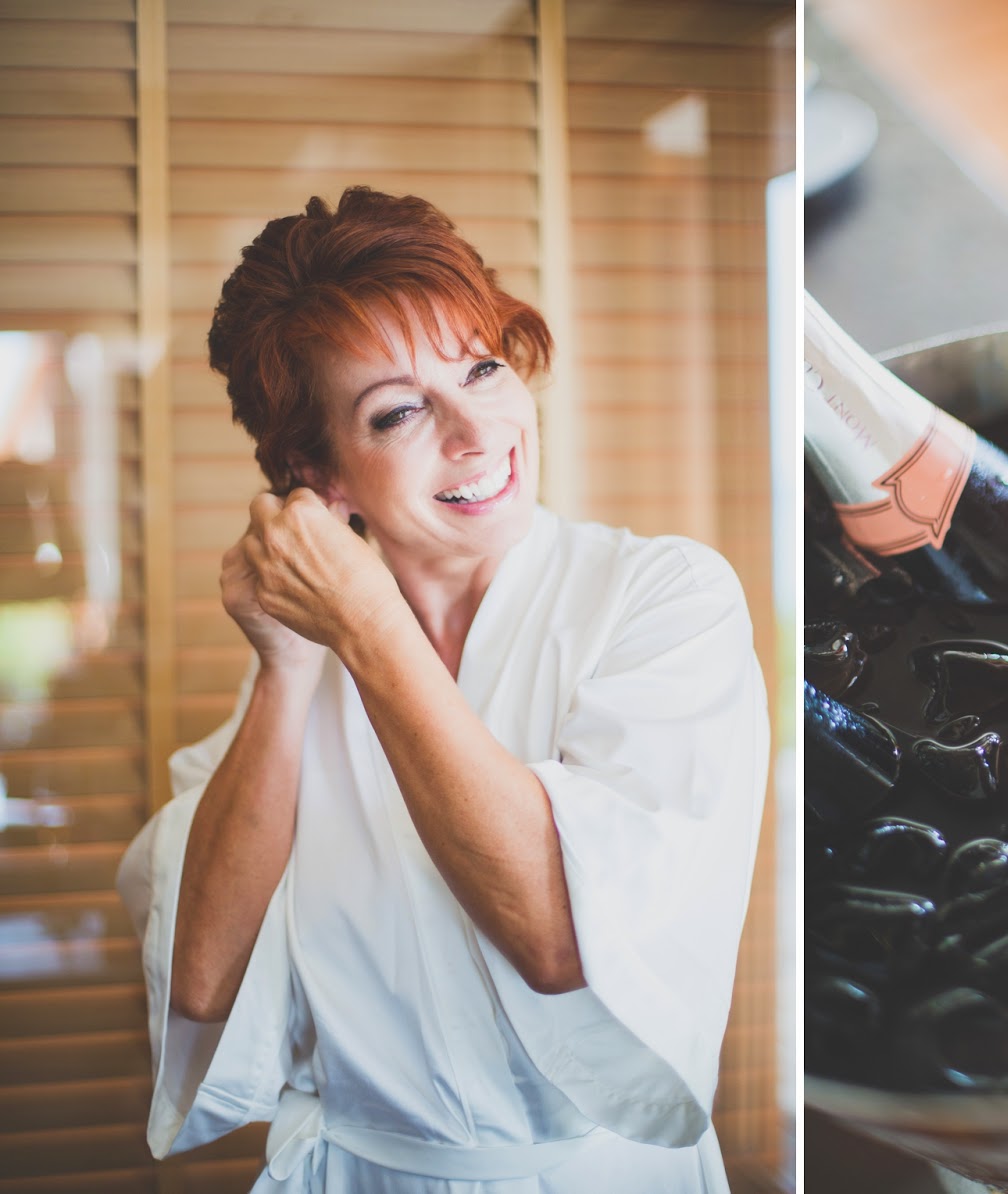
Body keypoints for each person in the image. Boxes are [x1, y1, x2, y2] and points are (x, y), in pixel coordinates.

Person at [116, 187, 769, 1193]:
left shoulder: (659, 598)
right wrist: (288, 670)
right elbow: (202, 988)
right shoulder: (311, 662)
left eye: (482, 366)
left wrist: (369, 631)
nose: (476, 431)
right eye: (399, 411)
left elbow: (560, 941)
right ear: (318, 475)